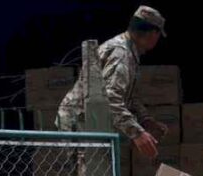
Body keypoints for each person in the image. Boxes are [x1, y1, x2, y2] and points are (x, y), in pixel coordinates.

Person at [56, 6, 168, 158]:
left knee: (100, 175)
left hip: (90, 120)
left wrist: (145, 120)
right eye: (158, 35)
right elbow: (111, 98)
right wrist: (137, 133)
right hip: (80, 122)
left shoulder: (129, 51)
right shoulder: (121, 53)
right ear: (152, 34)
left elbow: (129, 96)